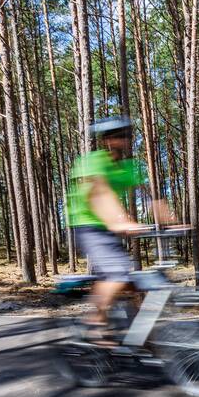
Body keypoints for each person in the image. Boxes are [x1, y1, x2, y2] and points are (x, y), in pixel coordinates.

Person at [67, 116, 172, 341]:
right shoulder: (93, 161)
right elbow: (99, 194)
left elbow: (150, 195)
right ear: (106, 140)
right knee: (118, 272)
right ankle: (95, 324)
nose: (122, 140)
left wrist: (171, 221)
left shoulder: (128, 167)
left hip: (108, 229)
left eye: (125, 135)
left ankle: (140, 335)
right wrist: (120, 220)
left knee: (134, 282)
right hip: (87, 226)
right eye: (116, 136)